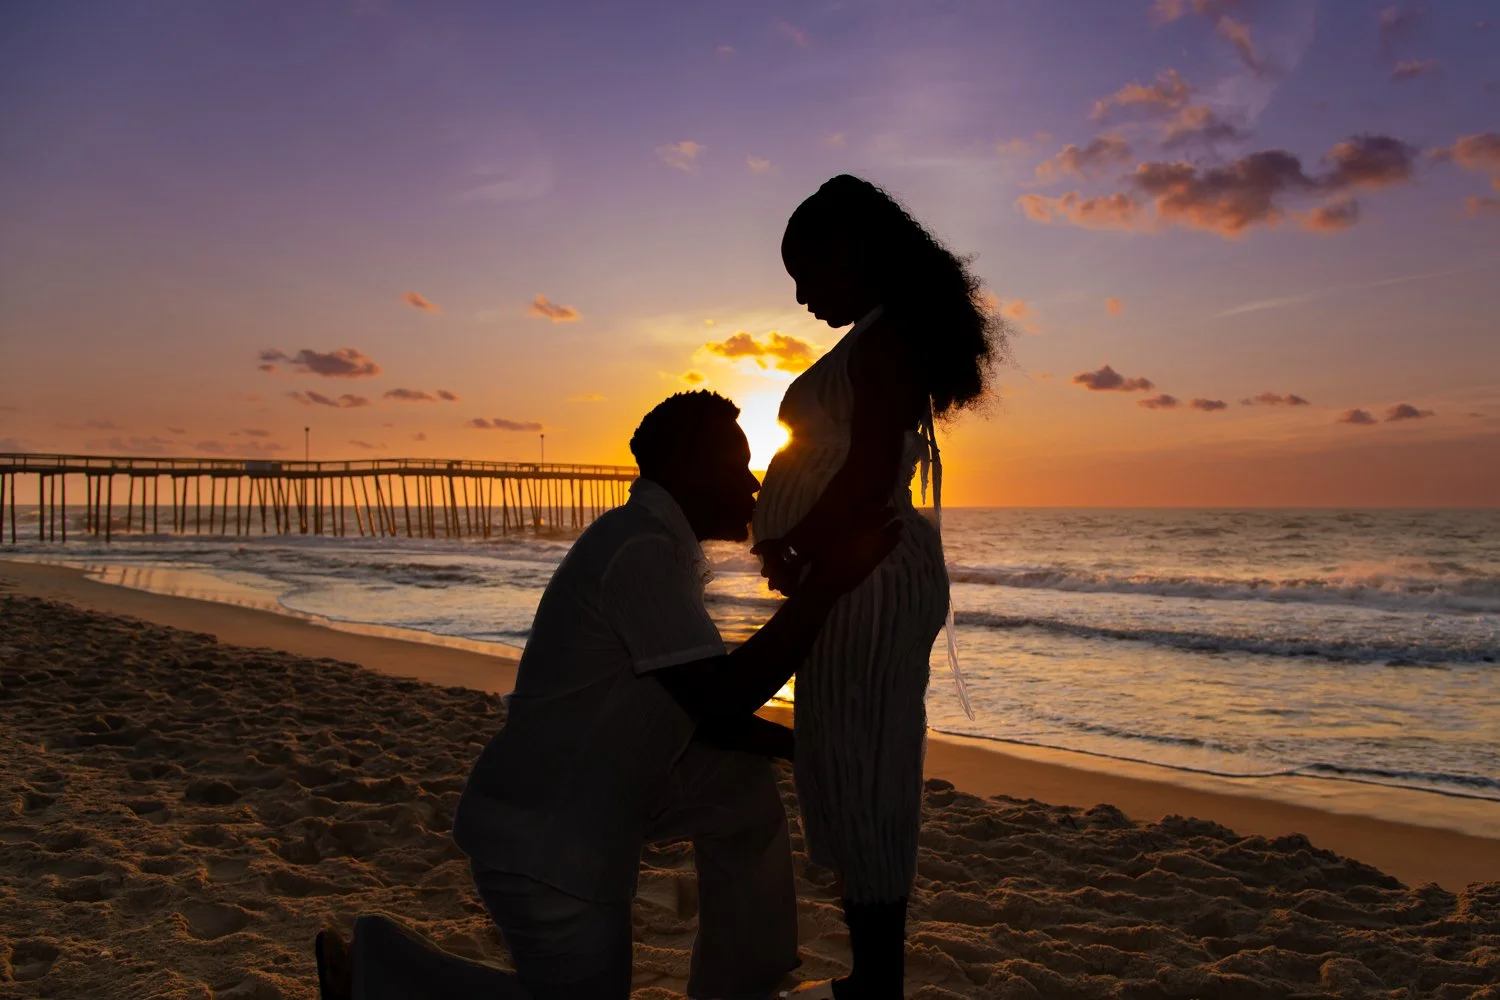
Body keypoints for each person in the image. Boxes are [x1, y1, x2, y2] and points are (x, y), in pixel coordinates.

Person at [314, 390, 901, 1000]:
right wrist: (824, 589)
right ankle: (376, 972)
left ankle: (741, 984)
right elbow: (720, 700)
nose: (752, 486)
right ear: (687, 469)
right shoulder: (640, 552)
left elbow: (704, 711)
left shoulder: (653, 543)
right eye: (736, 467)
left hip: (592, 790)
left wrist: (804, 746)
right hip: (545, 841)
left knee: (739, 789)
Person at [751, 175, 1004, 998]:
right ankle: (872, 974)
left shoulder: (889, 340)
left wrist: (795, 542)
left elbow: (865, 474)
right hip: (851, 567)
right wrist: (789, 546)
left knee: (868, 766)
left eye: (805, 273)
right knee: (852, 758)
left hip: (867, 570)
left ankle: (876, 981)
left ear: (847, 251)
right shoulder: (877, 335)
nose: (799, 296)